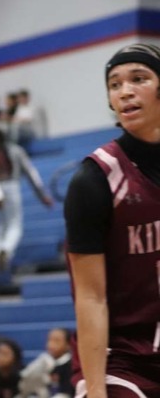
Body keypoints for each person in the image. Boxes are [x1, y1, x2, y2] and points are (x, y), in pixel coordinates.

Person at [64, 43, 160, 397]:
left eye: (139, 79)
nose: (125, 91)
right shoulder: (95, 179)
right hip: (119, 357)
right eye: (115, 84)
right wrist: (95, 389)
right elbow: (90, 298)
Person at [0, 130, 54, 273]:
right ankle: (6, 250)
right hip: (11, 185)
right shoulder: (16, 151)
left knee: (1, 224)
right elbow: (31, 173)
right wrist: (42, 195)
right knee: (14, 223)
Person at [18, 327, 73, 398]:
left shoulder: (70, 365)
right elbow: (24, 380)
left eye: (56, 341)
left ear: (68, 345)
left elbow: (67, 393)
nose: (51, 344)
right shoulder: (43, 361)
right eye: (49, 340)